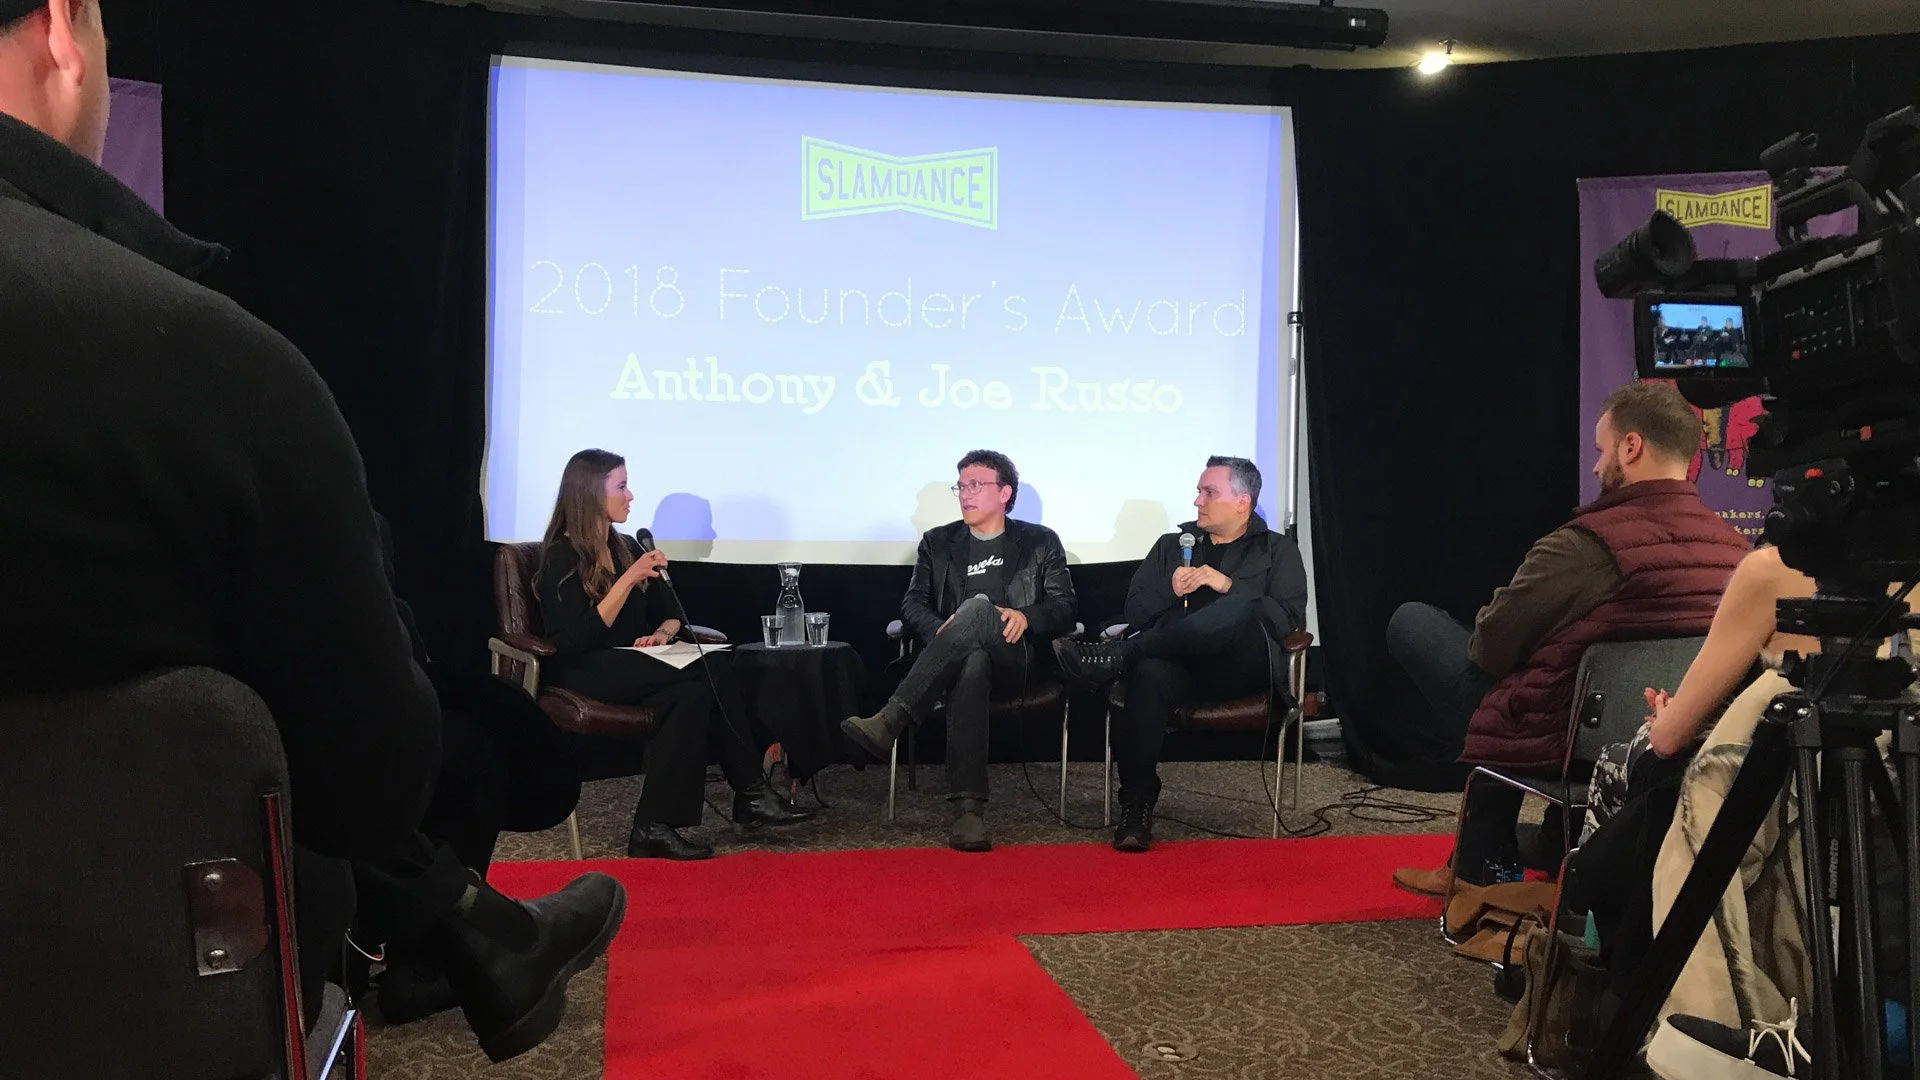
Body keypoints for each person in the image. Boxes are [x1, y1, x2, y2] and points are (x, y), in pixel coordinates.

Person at [0, 0, 624, 1064]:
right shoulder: (201, 366)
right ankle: (471, 932)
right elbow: (375, 772)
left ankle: (479, 935)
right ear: (65, 28)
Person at [1385, 380, 1749, 895]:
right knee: (1522, 680)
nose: (1597, 467)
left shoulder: (1586, 546)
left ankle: (1483, 864)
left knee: (1414, 623)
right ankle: (1538, 845)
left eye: (1602, 451)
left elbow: (1491, 646)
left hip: (1566, 734)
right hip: (1667, 735)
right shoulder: (1736, 549)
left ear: (1631, 446)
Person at [535, 448, 812, 860]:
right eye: (622, 487)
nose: (631, 496)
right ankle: (750, 791)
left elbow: (670, 616)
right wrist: (627, 580)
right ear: (592, 493)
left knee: (691, 696)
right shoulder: (562, 554)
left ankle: (653, 826)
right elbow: (575, 638)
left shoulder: (626, 545)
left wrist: (663, 634)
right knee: (710, 668)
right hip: (585, 668)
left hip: (635, 662)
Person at [1052, 456, 1309, 853]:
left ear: (1243, 502)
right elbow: (1135, 612)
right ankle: (1136, 805)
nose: (1197, 501)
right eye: (1198, 491)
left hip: (1242, 669)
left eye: (1209, 492)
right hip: (1180, 669)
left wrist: (1228, 585)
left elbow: (1289, 619)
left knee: (1237, 607)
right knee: (1149, 675)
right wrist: (1169, 591)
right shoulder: (1173, 547)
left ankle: (1121, 655)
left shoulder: (1277, 550)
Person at [840, 450, 1077, 852]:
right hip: (952, 662)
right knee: (972, 659)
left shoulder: (1040, 542)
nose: (965, 495)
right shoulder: (938, 542)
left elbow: (1065, 606)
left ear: (1004, 493)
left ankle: (892, 719)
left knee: (979, 609)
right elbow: (913, 603)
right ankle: (968, 811)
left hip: (1016, 660)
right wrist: (940, 629)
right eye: (961, 486)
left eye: (975, 485)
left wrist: (1027, 616)